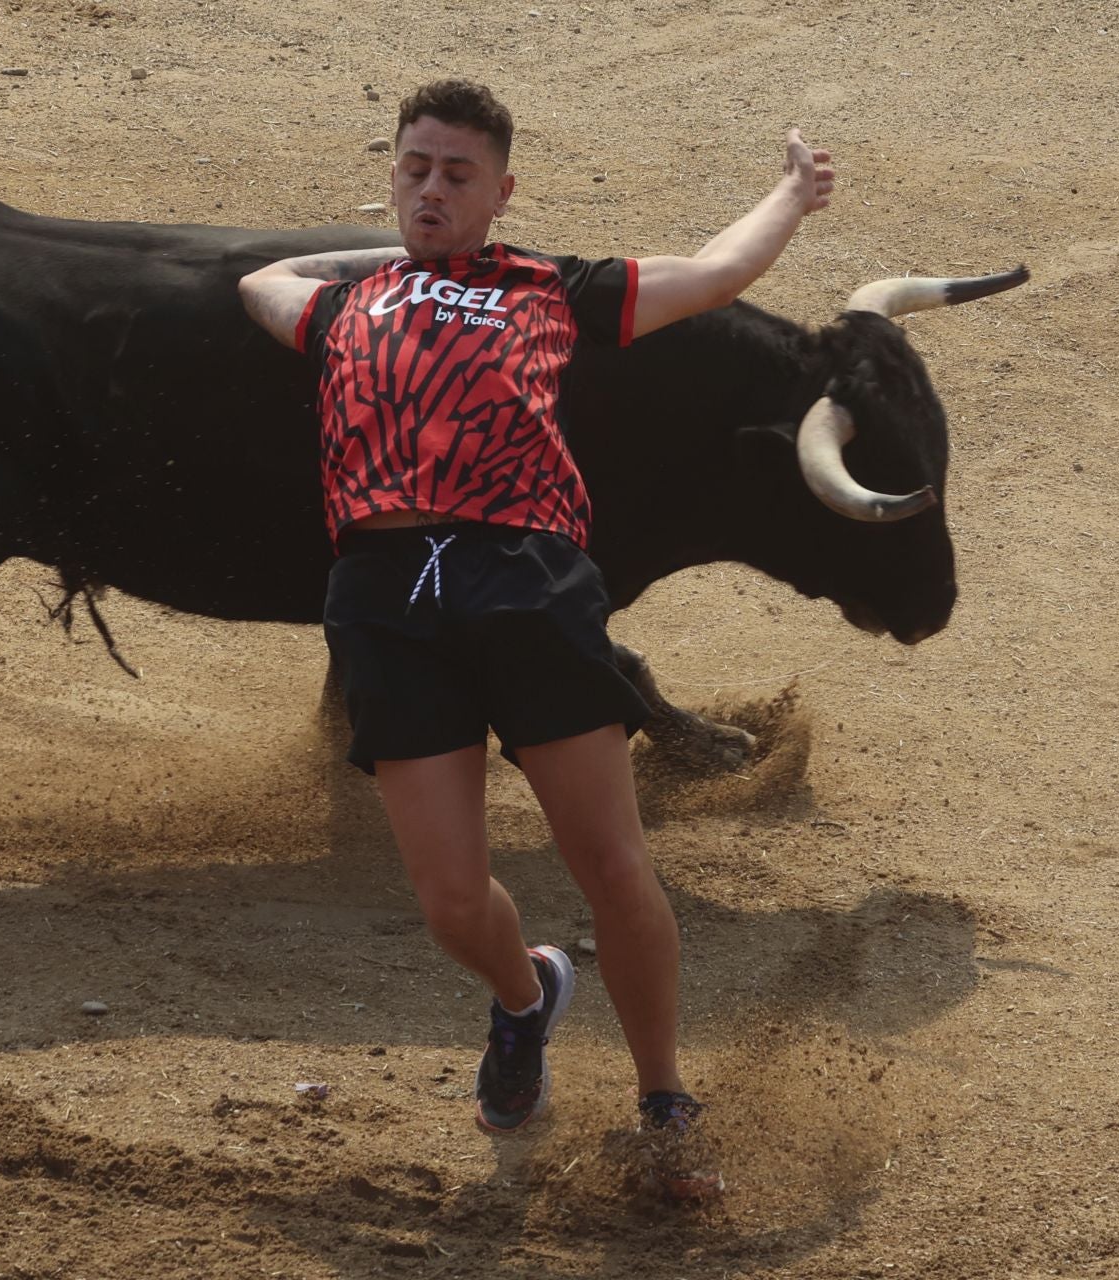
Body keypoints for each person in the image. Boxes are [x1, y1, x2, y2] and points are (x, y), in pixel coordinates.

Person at [238, 79, 833, 1188]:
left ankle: (665, 1103)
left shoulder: (553, 289)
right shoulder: (341, 308)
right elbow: (257, 282)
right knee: (453, 900)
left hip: (524, 574)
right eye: (414, 168)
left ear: (501, 192)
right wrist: (381, 269)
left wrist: (791, 198)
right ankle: (526, 997)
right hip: (383, 592)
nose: (431, 189)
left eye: (457, 174)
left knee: (610, 859)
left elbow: (716, 275)